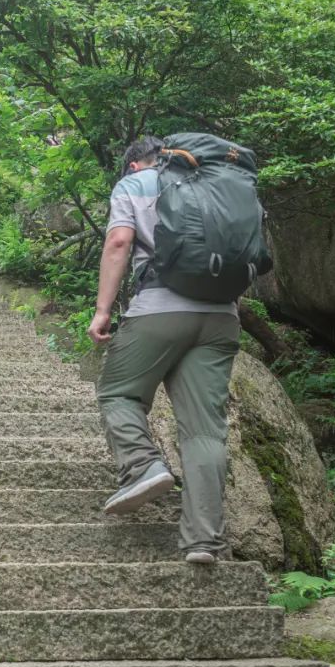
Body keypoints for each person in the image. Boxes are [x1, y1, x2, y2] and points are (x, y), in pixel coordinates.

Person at [88, 134, 251, 564]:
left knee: (118, 393)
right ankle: (203, 541)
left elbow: (119, 243)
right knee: (204, 430)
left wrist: (103, 310)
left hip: (160, 306)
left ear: (134, 164)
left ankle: (142, 466)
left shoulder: (134, 184)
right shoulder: (219, 185)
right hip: (222, 316)